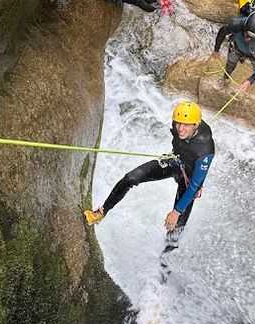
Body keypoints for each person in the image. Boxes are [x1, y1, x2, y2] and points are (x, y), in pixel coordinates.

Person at [84, 102, 214, 251]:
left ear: (196, 125)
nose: (180, 129)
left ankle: (165, 265)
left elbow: (194, 185)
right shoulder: (180, 123)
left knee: (175, 229)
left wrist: (176, 212)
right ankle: (101, 213)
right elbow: (178, 137)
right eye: (178, 124)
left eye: (186, 126)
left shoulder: (205, 149)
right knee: (131, 178)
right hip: (175, 162)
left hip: (189, 181)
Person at [212, 9, 255, 108]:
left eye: (251, 37)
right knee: (230, 64)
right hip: (237, 47)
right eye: (246, 34)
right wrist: (216, 50)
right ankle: (225, 79)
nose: (247, 38)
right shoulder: (236, 23)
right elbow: (222, 32)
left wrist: (250, 80)